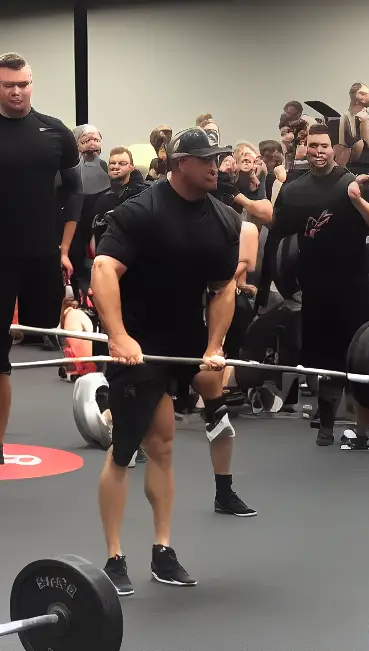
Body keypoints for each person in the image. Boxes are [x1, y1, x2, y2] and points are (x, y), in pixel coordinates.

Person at [90, 127, 255, 596]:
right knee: (125, 449)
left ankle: (162, 550)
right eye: (206, 160)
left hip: (182, 343)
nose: (215, 166)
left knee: (163, 446)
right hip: (137, 345)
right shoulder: (140, 211)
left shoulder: (223, 219)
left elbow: (223, 287)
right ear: (179, 162)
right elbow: (104, 270)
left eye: (218, 159)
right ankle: (114, 556)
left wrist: (215, 345)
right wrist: (118, 336)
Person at [267, 124, 369, 451]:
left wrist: (357, 201)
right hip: (315, 289)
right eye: (312, 145)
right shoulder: (295, 190)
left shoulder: (352, 184)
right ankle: (326, 423)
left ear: (334, 149)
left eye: (324, 146)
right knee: (324, 360)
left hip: (354, 287)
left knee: (363, 358)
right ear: (304, 148)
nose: (318, 151)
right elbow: (276, 232)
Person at [0, 52, 80, 465]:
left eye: (23, 84)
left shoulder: (55, 131)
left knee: (48, 335)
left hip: (41, 255)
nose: (17, 91)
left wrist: (64, 248)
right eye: (9, 85)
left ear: (32, 83)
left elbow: (75, 189)